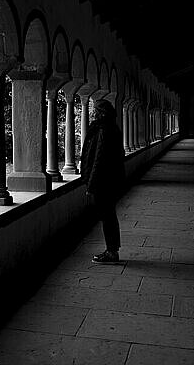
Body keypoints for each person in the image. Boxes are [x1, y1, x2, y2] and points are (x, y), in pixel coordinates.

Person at [80, 99, 125, 264]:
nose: (93, 113)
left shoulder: (104, 129)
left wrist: (91, 184)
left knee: (107, 216)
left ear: (102, 112)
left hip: (104, 181)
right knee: (109, 215)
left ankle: (112, 252)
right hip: (110, 179)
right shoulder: (111, 127)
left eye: (96, 110)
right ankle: (113, 250)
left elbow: (99, 158)